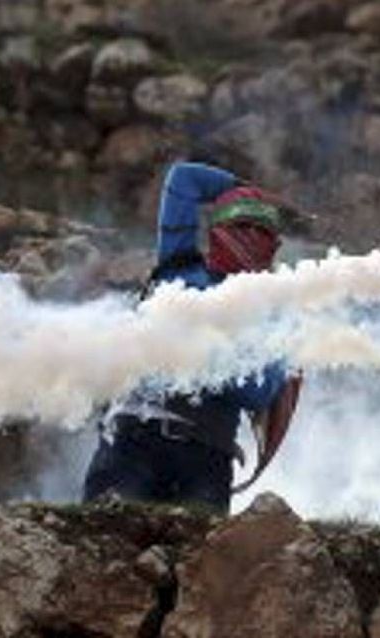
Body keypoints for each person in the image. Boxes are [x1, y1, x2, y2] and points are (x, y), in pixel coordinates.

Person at [83, 161, 297, 513]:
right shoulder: (179, 268)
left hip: (204, 459)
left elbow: (257, 392)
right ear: (218, 231)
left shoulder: (269, 315)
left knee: (195, 564)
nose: (251, 237)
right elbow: (183, 179)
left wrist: (199, 345)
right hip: (132, 441)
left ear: (273, 246)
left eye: (261, 231)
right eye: (242, 226)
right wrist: (240, 183)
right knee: (101, 545)